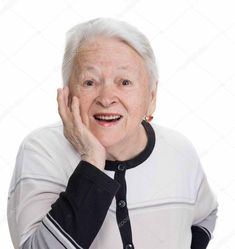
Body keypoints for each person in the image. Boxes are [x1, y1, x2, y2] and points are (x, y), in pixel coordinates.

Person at [7, 17, 218, 249]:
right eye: (90, 82)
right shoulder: (42, 151)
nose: (106, 98)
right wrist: (92, 159)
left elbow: (205, 215)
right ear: (66, 96)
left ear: (152, 96)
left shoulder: (179, 150)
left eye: (125, 82)